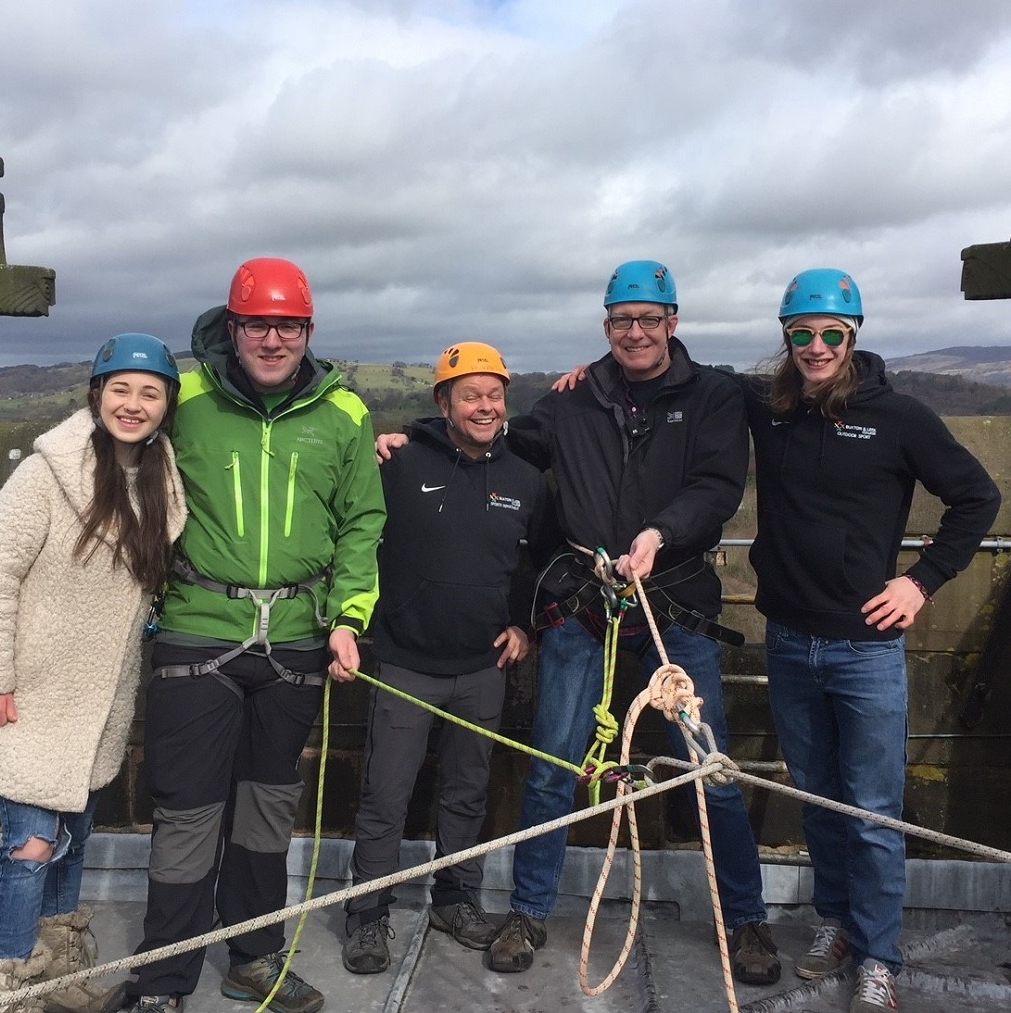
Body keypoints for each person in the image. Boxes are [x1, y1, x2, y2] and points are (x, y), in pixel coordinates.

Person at [378, 260, 781, 984]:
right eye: (622, 320)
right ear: (606, 326)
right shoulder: (573, 401)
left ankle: (744, 919)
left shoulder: (714, 396)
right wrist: (409, 441)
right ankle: (529, 908)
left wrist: (659, 531)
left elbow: (718, 484)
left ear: (672, 323)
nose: (635, 332)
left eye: (648, 319)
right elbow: (494, 443)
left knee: (708, 770)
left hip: (675, 609)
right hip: (585, 613)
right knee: (552, 767)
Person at [125, 257, 386, 1013]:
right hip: (198, 628)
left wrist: (348, 619)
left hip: (300, 638)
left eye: (288, 326)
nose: (272, 340)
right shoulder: (187, 398)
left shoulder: (344, 413)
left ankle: (252, 958)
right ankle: (164, 977)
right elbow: (115, 445)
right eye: (257, 324)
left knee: (266, 809)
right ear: (232, 326)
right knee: (187, 810)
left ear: (308, 330)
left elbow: (361, 523)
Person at [744, 269, 1000, 1013]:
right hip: (790, 642)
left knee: (874, 812)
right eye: (801, 333)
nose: (815, 346)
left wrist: (920, 581)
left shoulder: (900, 417)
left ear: (852, 336)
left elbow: (977, 496)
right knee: (819, 802)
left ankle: (878, 954)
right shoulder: (770, 408)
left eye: (830, 333)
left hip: (865, 651)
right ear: (785, 336)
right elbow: (671, 377)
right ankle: (837, 924)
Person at [0, 334, 187, 1013]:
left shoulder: (161, 479)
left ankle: (58, 972)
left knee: (71, 840)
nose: (133, 403)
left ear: (166, 405)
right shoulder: (43, 474)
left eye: (149, 392)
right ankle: (9, 984)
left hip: (97, 696)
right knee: (29, 845)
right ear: (96, 394)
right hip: (27, 691)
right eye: (120, 388)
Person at [341, 342, 555, 975]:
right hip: (406, 662)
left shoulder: (523, 477)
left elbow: (534, 563)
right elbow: (354, 535)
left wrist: (524, 624)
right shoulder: (399, 464)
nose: (484, 406)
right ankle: (367, 915)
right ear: (444, 402)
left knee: (467, 795)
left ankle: (456, 901)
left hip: (481, 668)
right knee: (385, 795)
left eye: (494, 395)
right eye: (470, 395)